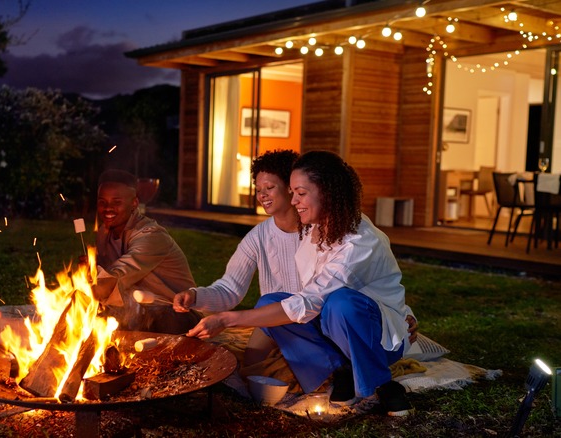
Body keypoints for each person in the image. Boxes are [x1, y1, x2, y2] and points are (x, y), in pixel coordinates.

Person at [177, 150, 415, 416]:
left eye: (299, 193)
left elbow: (311, 301)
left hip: (375, 334)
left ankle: (381, 384)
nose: (294, 201)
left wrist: (226, 320)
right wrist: (196, 297)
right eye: (291, 192)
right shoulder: (311, 228)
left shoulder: (358, 240)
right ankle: (341, 371)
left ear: (327, 192)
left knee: (341, 302)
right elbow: (237, 288)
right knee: (271, 302)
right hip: (329, 327)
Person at [173, 149, 302, 367]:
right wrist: (195, 296)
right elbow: (230, 289)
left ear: (291, 188)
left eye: (269, 188)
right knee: (251, 365)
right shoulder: (258, 237)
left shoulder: (317, 231)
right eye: (258, 190)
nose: (262, 196)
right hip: (273, 318)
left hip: (312, 316)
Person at [89, 169, 200, 334]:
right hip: (134, 310)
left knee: (127, 324)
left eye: (116, 202)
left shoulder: (151, 235)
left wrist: (81, 289)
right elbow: (101, 279)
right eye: (102, 202)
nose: (108, 208)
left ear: (134, 203)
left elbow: (114, 279)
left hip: (175, 314)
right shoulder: (104, 233)